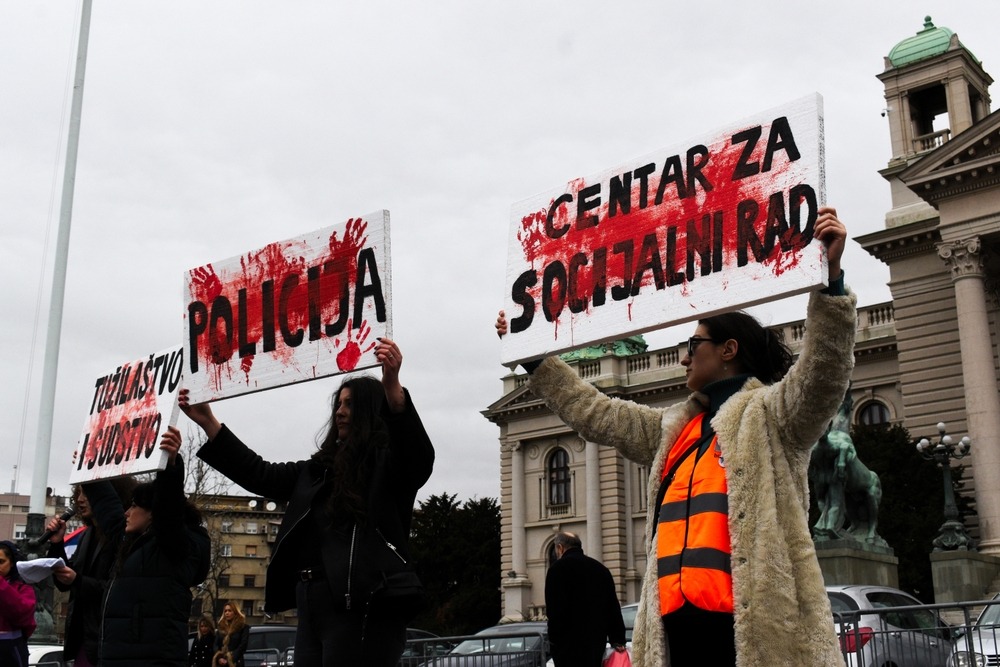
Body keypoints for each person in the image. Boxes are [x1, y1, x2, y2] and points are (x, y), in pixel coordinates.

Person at [496, 207, 855, 666]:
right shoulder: (673, 427)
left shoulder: (772, 416)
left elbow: (823, 374)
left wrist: (831, 282)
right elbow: (596, 413)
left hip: (747, 632)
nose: (685, 358)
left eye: (694, 346)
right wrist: (534, 359)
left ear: (728, 350)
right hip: (674, 634)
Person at [180, 337, 434, 667]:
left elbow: (417, 458)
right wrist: (208, 422)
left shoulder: (388, 467)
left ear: (371, 411)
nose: (340, 412)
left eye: (350, 404)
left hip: (363, 605)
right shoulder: (316, 471)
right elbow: (262, 475)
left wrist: (393, 389)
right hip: (311, 603)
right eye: (338, 405)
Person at [96, 426, 212, 667]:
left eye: (134, 506)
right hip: (120, 658)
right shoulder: (132, 544)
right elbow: (108, 509)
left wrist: (170, 465)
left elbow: (169, 508)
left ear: (153, 512)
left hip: (152, 660)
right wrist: (91, 470)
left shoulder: (173, 545)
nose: (126, 512)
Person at [45, 478, 137, 667]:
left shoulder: (123, 539)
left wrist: (77, 580)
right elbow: (65, 582)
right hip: (84, 639)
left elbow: (116, 590)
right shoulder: (87, 534)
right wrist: (56, 545)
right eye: (78, 493)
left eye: (87, 493)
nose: (80, 499)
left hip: (107, 639)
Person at [545, 532, 626, 667]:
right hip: (595, 643)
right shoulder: (601, 569)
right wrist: (617, 638)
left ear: (560, 548)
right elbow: (612, 607)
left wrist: (554, 641)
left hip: (567, 645)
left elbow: (554, 611)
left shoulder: (557, 569)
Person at [0, 541, 35, 667]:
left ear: (12, 563)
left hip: (11, 650)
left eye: (1, 562)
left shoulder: (23, 589)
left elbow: (21, 614)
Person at [213, 602, 249, 667]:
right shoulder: (221, 627)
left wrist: (231, 657)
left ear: (235, 612)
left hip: (236, 662)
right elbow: (215, 644)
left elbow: (243, 645)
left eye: (229, 611)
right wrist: (219, 658)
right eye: (225, 611)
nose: (227, 613)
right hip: (221, 663)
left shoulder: (242, 627)